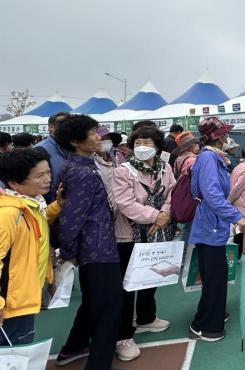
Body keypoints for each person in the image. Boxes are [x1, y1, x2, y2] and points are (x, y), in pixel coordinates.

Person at [54, 115, 122, 370]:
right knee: (108, 308)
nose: (99, 137)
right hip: (97, 250)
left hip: (98, 246)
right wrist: (70, 252)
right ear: (74, 141)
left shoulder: (83, 165)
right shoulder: (81, 172)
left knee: (95, 301)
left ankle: (73, 347)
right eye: (93, 133)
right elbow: (72, 220)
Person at [111, 125, 176, 361]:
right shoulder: (123, 171)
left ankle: (147, 317)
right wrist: (154, 216)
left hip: (159, 232)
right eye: (137, 142)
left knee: (151, 276)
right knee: (127, 286)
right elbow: (125, 203)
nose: (141, 147)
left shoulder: (165, 167)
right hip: (129, 236)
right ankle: (123, 336)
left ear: (157, 146)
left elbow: (172, 193)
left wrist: (166, 214)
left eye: (147, 142)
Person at [188, 117, 245, 342]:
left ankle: (210, 315)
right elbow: (212, 195)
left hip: (212, 226)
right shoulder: (208, 158)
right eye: (225, 133)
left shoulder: (212, 158)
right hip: (210, 226)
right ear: (219, 137)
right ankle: (205, 325)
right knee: (214, 277)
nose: (228, 137)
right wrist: (237, 218)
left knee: (216, 275)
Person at [0, 149, 64, 346]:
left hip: (25, 294)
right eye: (40, 175)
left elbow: (39, 226)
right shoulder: (9, 214)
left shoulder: (31, 203)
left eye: (48, 172)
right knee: (14, 352)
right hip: (12, 302)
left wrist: (57, 206)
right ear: (14, 183)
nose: (48, 179)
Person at [34, 112, 70, 203]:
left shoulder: (71, 148)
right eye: (62, 124)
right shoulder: (41, 149)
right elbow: (38, 185)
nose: (67, 128)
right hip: (50, 207)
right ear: (50, 127)